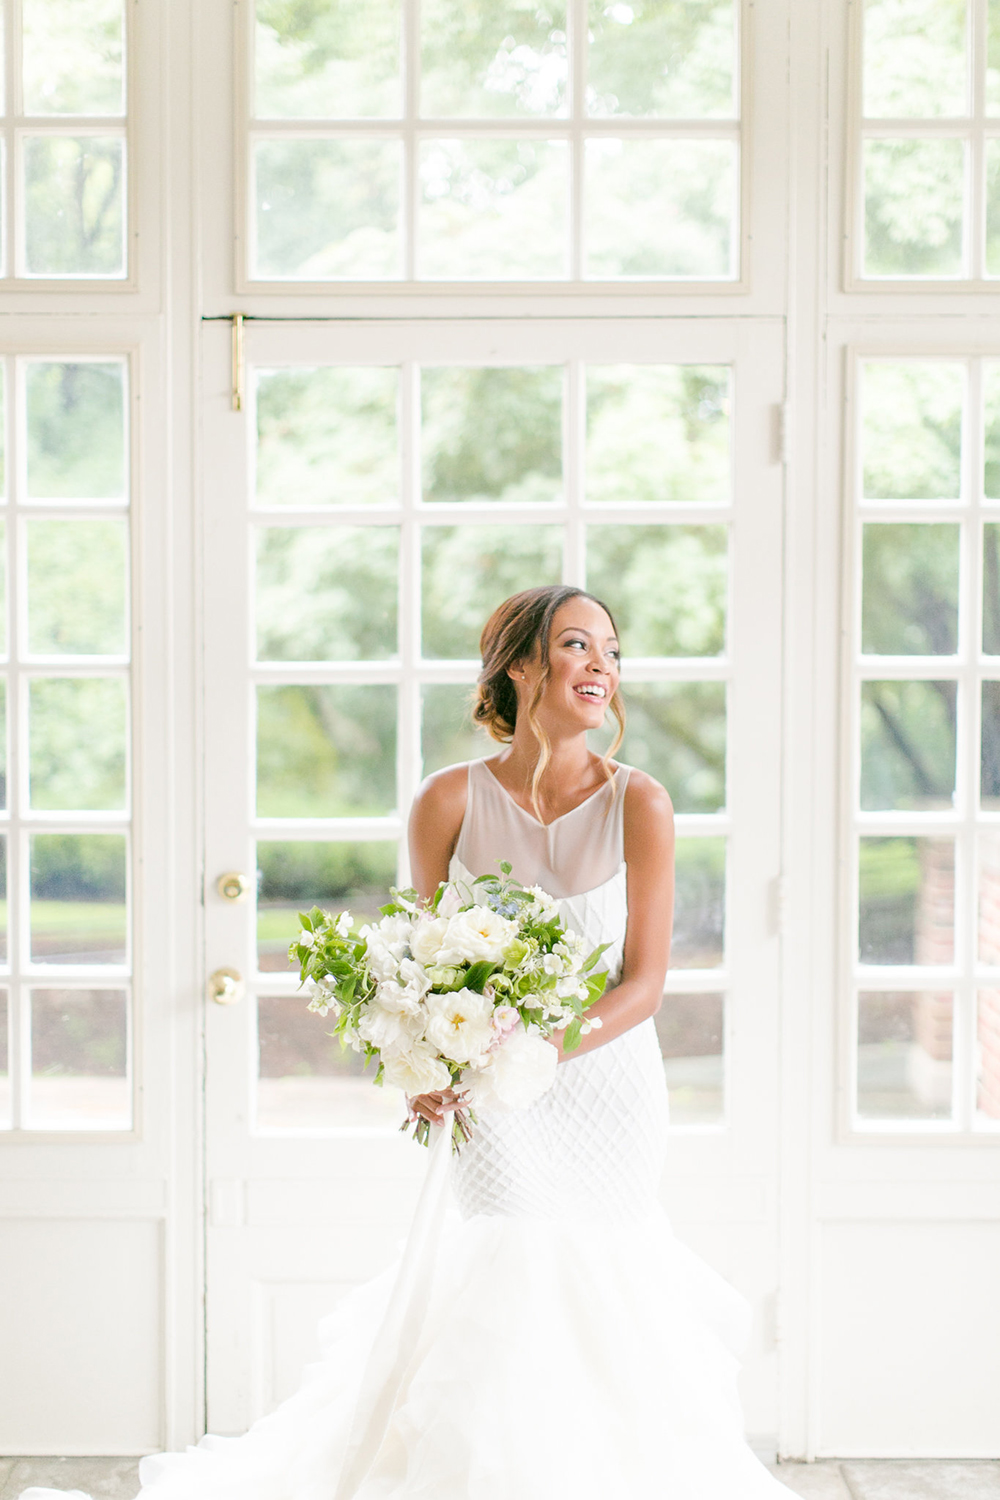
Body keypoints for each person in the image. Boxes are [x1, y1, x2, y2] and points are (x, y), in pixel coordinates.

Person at [22, 584, 791, 1500]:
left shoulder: (642, 804)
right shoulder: (448, 800)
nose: (602, 668)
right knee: (505, 1259)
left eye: (611, 653)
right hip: (489, 1101)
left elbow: (644, 985)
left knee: (600, 1279)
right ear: (519, 666)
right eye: (578, 646)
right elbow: (416, 967)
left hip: (602, 1088)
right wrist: (419, 1068)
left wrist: (530, 1048)